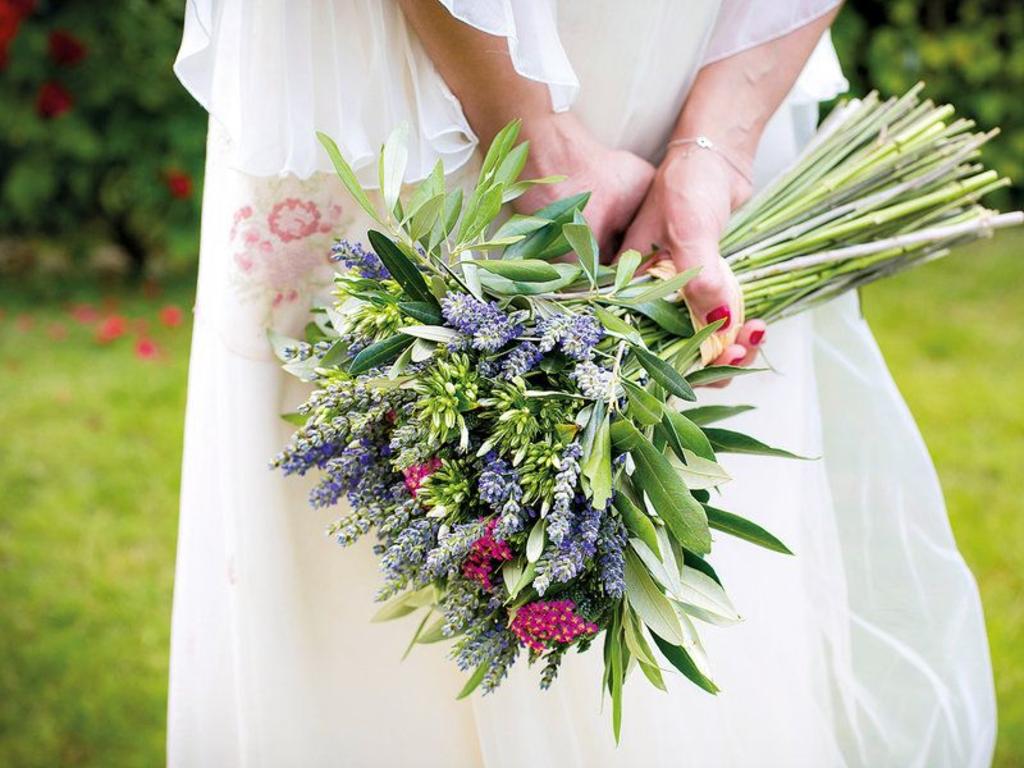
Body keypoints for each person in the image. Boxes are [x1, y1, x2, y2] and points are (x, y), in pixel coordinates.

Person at [168, 2, 996, 765]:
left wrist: (709, 157)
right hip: (424, 89)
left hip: (686, 71)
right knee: (365, 624)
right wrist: (535, 137)